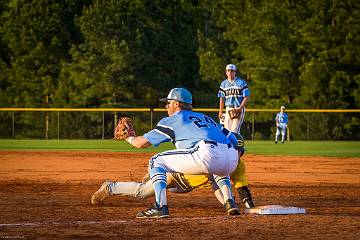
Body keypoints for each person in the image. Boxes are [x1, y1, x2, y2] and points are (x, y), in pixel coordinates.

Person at [104, 87, 240, 218]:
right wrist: (237, 155)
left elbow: (141, 143)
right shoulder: (205, 118)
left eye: (168, 103)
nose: (166, 106)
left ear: (177, 104)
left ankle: (160, 206)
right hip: (231, 158)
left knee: (156, 160)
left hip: (206, 154)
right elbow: (234, 139)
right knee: (218, 165)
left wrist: (128, 137)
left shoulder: (173, 120)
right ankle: (229, 202)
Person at [217, 64, 255, 208]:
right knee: (225, 132)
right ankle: (227, 151)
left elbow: (246, 96)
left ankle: (236, 152)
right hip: (227, 108)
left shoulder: (241, 83)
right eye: (228, 70)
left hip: (238, 108)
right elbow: (221, 98)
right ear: (226, 72)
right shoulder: (224, 84)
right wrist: (221, 111)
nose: (230, 72)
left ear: (235, 72)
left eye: (232, 70)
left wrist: (240, 108)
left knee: (234, 131)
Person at [91, 173, 228, 207]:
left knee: (178, 189)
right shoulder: (217, 161)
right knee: (143, 192)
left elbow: (215, 186)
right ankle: (109, 187)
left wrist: (226, 203)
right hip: (173, 175)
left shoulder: (223, 162)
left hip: (183, 184)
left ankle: (155, 173)